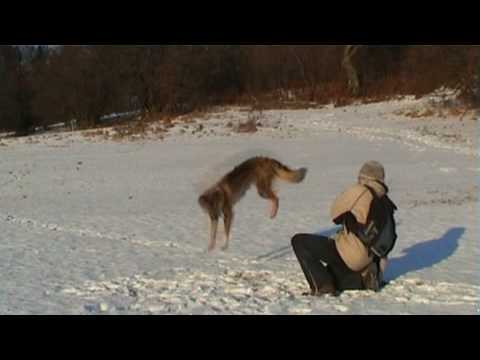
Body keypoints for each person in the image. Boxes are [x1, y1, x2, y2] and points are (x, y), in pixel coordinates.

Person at [291, 161, 397, 296]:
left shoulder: (360, 190)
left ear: (363, 177)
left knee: (300, 241)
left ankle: (322, 287)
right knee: (331, 274)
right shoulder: (385, 200)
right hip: (369, 258)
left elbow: (334, 214)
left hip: (350, 252)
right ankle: (363, 279)